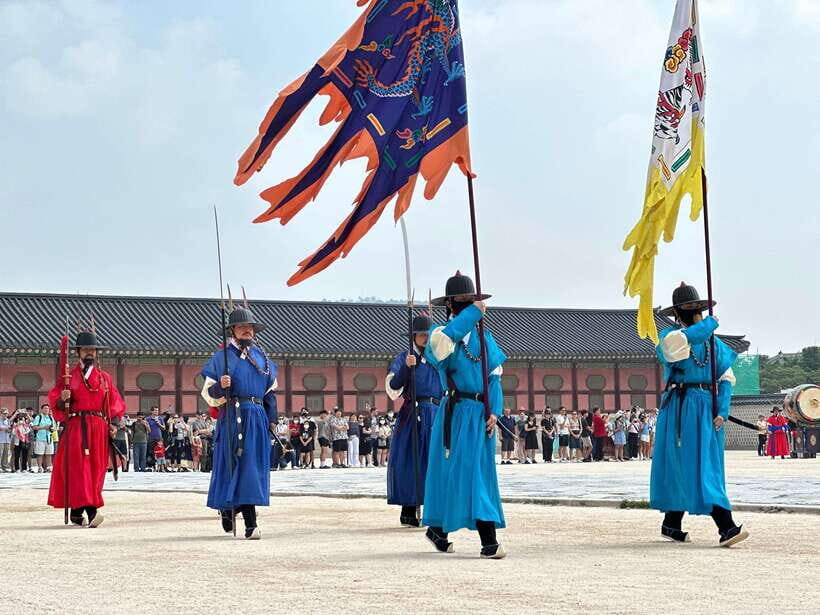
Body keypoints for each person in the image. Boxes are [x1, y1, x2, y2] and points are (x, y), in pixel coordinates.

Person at [650, 282, 748, 547]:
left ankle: (672, 523)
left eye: (697, 307)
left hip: (707, 406)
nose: (695, 311)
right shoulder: (670, 336)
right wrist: (707, 325)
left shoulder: (714, 343)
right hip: (681, 407)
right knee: (689, 463)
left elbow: (726, 378)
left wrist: (723, 410)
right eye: (689, 307)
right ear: (677, 311)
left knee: (706, 464)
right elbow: (677, 347)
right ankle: (726, 526)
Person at [423, 271, 507, 559]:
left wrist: (495, 411)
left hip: (481, 414)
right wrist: (472, 314)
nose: (469, 303)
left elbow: (495, 377)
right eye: (463, 300)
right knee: (459, 470)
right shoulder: (439, 335)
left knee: (479, 471)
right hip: (456, 412)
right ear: (450, 304)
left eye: (471, 299)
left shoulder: (485, 338)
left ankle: (440, 530)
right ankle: (485, 539)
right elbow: (444, 346)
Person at [200, 303, 278, 540]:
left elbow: (270, 393)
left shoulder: (262, 358)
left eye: (250, 327)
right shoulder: (222, 357)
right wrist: (220, 387)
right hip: (234, 415)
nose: (247, 330)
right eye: (242, 326)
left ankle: (231, 509)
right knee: (239, 464)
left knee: (253, 466)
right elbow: (208, 394)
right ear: (232, 330)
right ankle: (249, 523)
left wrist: (272, 420)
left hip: (257, 416)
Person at [47, 330, 125, 527]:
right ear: (78, 352)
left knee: (96, 470)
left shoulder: (105, 378)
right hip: (77, 427)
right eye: (86, 349)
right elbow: (56, 402)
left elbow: (115, 404)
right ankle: (92, 511)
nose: (90, 352)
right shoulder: (68, 377)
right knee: (80, 469)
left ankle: (76, 511)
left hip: (99, 428)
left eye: (93, 350)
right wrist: (62, 399)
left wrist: (114, 424)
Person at [385, 314, 443, 527]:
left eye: (428, 335)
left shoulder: (438, 358)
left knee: (434, 461)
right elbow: (394, 387)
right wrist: (406, 368)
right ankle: (409, 509)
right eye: (421, 335)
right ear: (414, 337)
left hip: (436, 413)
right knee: (411, 461)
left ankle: (434, 509)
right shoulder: (405, 357)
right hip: (413, 414)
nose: (425, 339)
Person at [31, 403, 55, 473]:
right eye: (45, 408)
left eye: (47, 408)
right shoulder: (38, 417)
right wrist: (44, 427)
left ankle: (48, 467)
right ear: (42, 409)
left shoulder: (51, 417)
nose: (46, 410)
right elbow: (34, 427)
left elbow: (54, 427)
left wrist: (52, 429)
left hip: (49, 438)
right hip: (40, 438)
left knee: (49, 453)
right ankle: (40, 467)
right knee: (40, 453)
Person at [0, 408, 11, 472]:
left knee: (6, 454)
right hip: (0, 440)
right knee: (0, 454)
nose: (6, 415)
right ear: (1, 413)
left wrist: (9, 430)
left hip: (7, 440)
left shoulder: (8, 420)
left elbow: (9, 429)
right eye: (4, 413)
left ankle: (4, 467)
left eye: (6, 413)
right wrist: (6, 428)